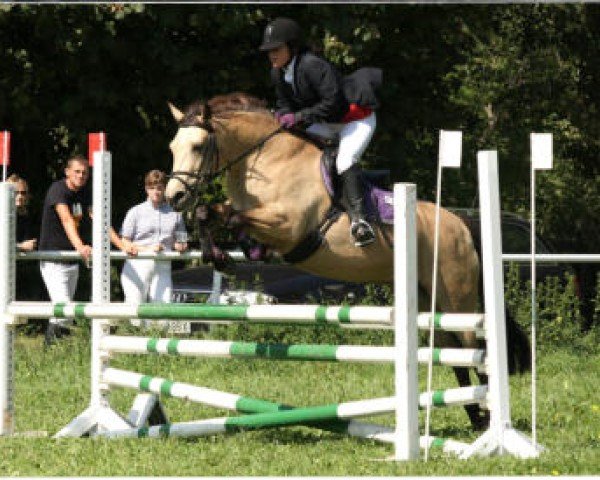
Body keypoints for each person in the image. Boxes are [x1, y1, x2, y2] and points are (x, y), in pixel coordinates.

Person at [259, 17, 382, 247]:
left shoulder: (312, 65)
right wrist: (284, 115)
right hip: (326, 122)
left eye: (276, 49)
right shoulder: (278, 73)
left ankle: (360, 221)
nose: (271, 55)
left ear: (292, 47)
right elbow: (284, 103)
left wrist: (298, 117)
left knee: (345, 160)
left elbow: (333, 103)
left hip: (354, 119)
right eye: (268, 51)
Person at [39, 155, 125, 345]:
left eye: (85, 173)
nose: (81, 176)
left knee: (65, 314)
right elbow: (67, 219)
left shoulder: (86, 193)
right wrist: (80, 246)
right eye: (77, 171)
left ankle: (56, 352)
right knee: (64, 308)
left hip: (73, 261)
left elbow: (101, 220)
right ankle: (50, 349)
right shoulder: (58, 190)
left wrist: (122, 245)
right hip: (54, 259)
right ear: (67, 172)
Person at [119, 169, 188, 329]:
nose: (156, 192)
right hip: (138, 264)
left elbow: (181, 240)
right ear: (146, 189)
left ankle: (157, 350)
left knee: (162, 312)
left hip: (163, 264)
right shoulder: (135, 212)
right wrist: (148, 248)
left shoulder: (175, 214)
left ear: (165, 189)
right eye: (152, 188)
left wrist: (180, 246)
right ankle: (133, 349)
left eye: (159, 188)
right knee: (135, 310)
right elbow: (125, 242)